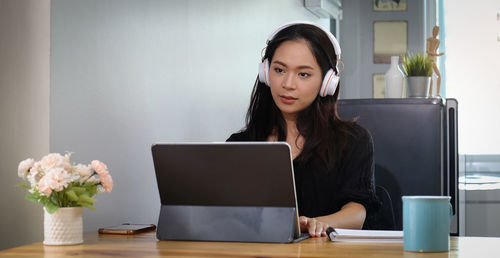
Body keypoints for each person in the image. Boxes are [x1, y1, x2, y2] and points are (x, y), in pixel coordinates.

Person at [227, 21, 379, 237]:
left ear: (327, 82)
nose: (288, 84)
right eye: (279, 70)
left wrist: (315, 223)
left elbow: (357, 213)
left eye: (303, 74)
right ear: (265, 73)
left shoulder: (353, 141)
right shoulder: (240, 145)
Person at [426, 25, 444, 97]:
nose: (435, 33)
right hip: (430, 60)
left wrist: (436, 55)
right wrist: (438, 55)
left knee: (438, 75)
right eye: (434, 31)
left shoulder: (438, 41)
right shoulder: (429, 39)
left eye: (437, 31)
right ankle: (430, 93)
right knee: (430, 76)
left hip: (434, 60)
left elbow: (434, 50)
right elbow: (428, 51)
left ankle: (437, 93)